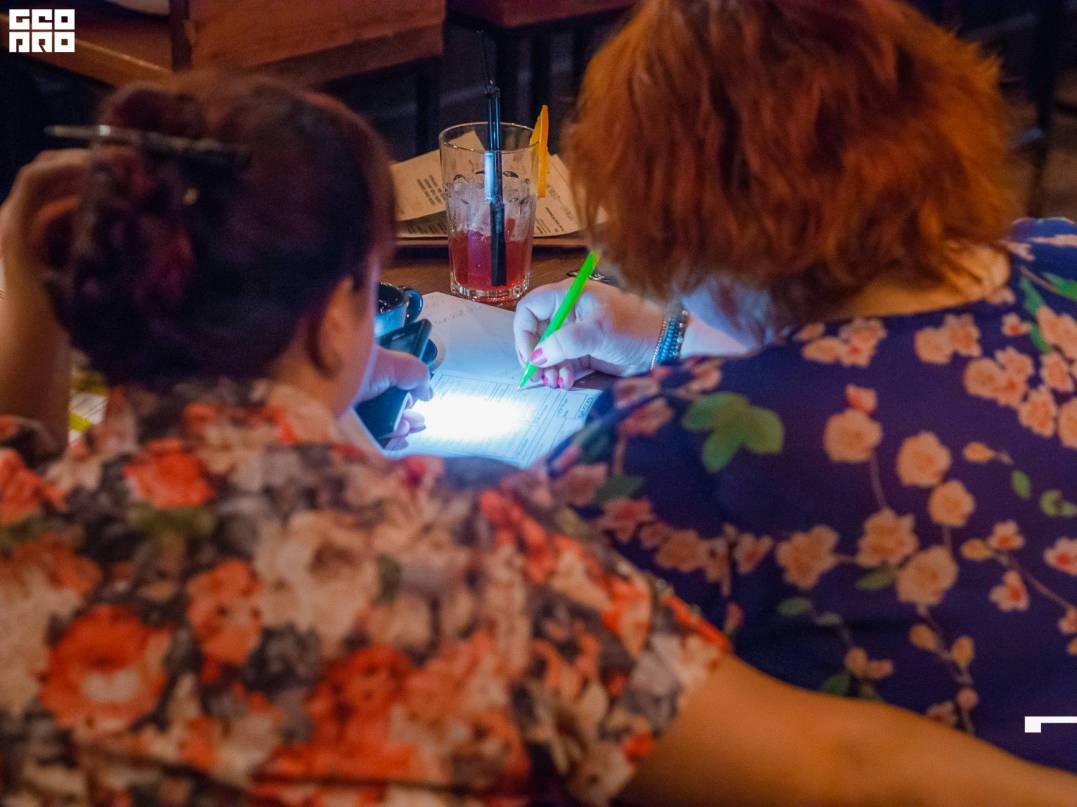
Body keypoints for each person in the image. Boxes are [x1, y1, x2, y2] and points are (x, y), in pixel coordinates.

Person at [7, 73, 1075, 806]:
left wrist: (21, 268)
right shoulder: (482, 554)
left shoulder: (21, 513)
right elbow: (841, 767)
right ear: (337, 320)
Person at [514, 0, 1077, 773]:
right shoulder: (1056, 260)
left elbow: (495, 631)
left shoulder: (682, 446)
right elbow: (878, 346)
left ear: (686, 212)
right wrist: (654, 333)